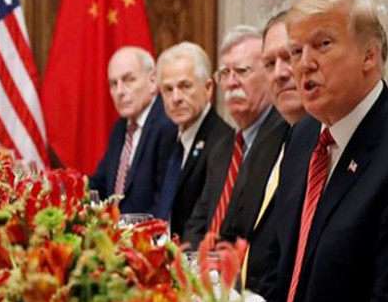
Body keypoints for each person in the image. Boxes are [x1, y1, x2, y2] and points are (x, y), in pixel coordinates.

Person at [261, 0, 388, 302]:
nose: (304, 64)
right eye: (296, 51)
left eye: (323, 44)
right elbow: (279, 263)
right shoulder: (303, 134)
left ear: (370, 55)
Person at [183, 26, 288, 247]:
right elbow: (198, 222)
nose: (231, 83)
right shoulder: (223, 148)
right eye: (224, 74)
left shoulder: (285, 134)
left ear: (269, 74)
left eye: (241, 71)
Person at [235, 11, 307, 292]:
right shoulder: (266, 140)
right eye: (269, 63)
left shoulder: (327, 146)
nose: (279, 73)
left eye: (289, 56)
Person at [153, 42, 233, 241]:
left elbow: (207, 223)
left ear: (207, 89)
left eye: (185, 86)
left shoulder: (223, 142)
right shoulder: (167, 138)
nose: (176, 98)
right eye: (168, 89)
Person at [88, 46, 177, 214]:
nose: (120, 91)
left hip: (145, 236)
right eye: (113, 84)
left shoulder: (167, 126)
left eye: (129, 80)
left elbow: (163, 205)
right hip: (115, 234)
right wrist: (66, 194)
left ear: (152, 81)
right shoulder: (121, 127)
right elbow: (99, 185)